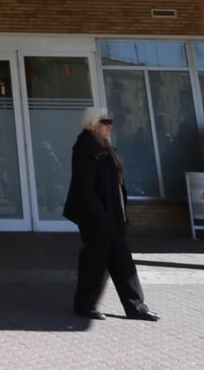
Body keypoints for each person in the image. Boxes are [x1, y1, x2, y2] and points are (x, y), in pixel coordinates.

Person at [63, 106, 158, 322]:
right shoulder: (85, 148)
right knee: (94, 261)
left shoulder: (104, 147)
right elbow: (85, 187)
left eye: (110, 121)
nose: (109, 126)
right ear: (93, 123)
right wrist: (100, 217)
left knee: (122, 260)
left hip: (111, 216)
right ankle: (85, 305)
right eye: (105, 121)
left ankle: (136, 306)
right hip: (97, 217)